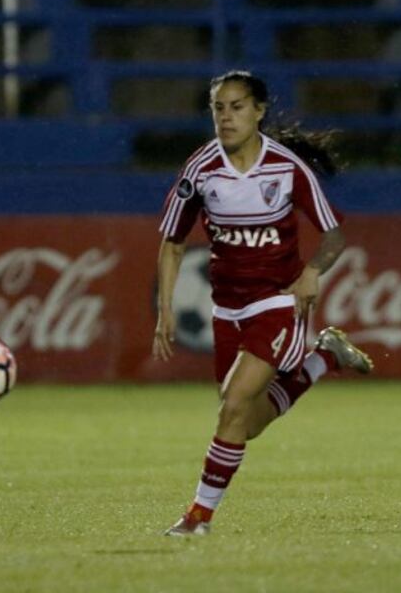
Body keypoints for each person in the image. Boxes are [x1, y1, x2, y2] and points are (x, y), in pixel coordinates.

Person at [153, 70, 374, 536]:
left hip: (277, 302)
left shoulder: (286, 167)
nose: (226, 117)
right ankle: (323, 359)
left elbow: (333, 235)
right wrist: (165, 309)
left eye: (237, 107)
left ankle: (198, 518)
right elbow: (173, 242)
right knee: (245, 422)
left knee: (233, 404)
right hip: (226, 309)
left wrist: (312, 272)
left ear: (258, 111)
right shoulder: (200, 169)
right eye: (218, 108)